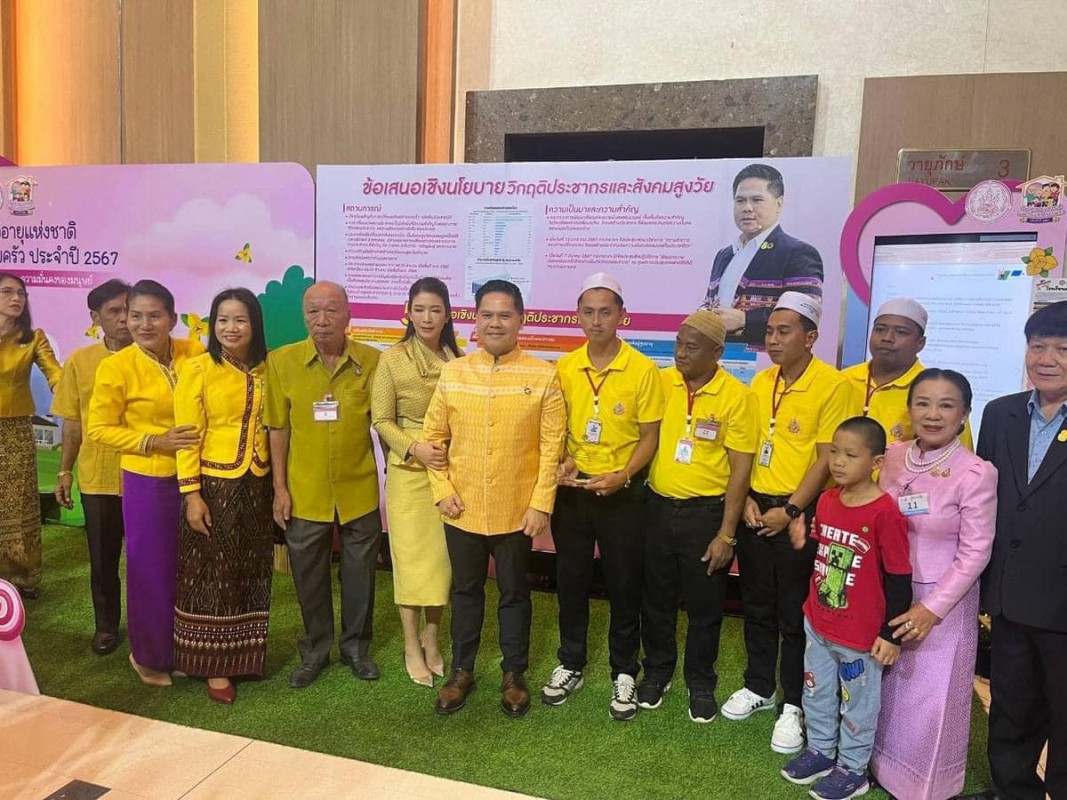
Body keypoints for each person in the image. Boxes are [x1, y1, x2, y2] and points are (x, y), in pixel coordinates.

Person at [424, 279, 565, 718]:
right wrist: (442, 491)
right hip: (460, 507)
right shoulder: (454, 372)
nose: (496, 323)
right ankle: (461, 671)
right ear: (475, 320)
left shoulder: (543, 375)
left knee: (514, 593)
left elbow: (552, 447)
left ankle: (513, 673)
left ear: (521, 320)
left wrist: (540, 504)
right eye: (487, 315)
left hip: (515, 510)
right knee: (465, 591)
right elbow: (432, 438)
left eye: (505, 315)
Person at [721, 291, 852, 754]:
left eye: (784, 331)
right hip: (757, 509)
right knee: (756, 604)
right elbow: (746, 449)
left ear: (811, 337)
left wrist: (792, 510)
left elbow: (826, 458)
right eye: (770, 331)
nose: (773, 340)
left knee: (795, 613)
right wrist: (747, 499)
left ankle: (794, 703)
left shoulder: (833, 386)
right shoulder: (761, 382)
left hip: (800, 514)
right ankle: (759, 685)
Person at [869, 369, 997, 799]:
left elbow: (976, 552)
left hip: (942, 601)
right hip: (890, 590)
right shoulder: (891, 456)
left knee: (931, 699)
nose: (933, 414)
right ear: (909, 409)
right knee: (888, 687)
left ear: (965, 414)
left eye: (946, 405)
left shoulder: (976, 472)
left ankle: (924, 787)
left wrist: (931, 609)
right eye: (923, 403)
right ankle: (877, 765)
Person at [542, 272, 663, 721]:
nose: (596, 321)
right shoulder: (566, 367)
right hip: (575, 492)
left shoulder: (643, 370)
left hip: (622, 492)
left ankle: (625, 670)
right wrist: (565, 461)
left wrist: (624, 475)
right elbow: (559, 429)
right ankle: (570, 662)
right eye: (588, 312)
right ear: (578, 315)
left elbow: (650, 436)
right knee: (571, 580)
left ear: (621, 316)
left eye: (605, 312)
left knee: (624, 584)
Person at [780, 416, 911, 800]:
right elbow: (824, 552)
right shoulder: (827, 500)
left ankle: (853, 770)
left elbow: (899, 577)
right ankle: (821, 751)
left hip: (859, 636)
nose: (837, 461)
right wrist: (803, 542)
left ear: (876, 462)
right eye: (834, 452)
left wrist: (890, 634)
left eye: (850, 455)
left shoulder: (885, 512)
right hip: (819, 623)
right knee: (815, 692)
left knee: (858, 706)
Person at [636, 311, 758, 724]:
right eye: (678, 344)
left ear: (717, 353)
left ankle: (701, 681)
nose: (681, 353)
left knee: (705, 607)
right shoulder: (660, 382)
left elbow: (740, 470)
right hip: (656, 508)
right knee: (656, 600)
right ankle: (657, 672)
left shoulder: (737, 397)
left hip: (706, 515)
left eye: (692, 347)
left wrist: (727, 534)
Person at [266, 281, 382, 689]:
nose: (322, 320)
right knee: (309, 576)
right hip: (304, 490)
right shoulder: (282, 362)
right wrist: (280, 489)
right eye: (313, 312)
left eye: (331, 310)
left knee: (360, 575)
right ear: (304, 317)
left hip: (359, 490)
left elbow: (384, 423)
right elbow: (277, 428)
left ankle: (356, 649)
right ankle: (315, 650)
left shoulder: (373, 361)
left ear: (348, 315)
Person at [87, 279, 204, 687]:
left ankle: (185, 649)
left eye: (154, 316)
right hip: (147, 481)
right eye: (135, 315)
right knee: (150, 569)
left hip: (196, 476)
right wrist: (154, 441)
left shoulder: (194, 352)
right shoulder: (116, 366)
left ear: (173, 318)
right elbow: (99, 428)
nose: (143, 324)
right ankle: (149, 657)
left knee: (190, 568)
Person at [978, 300, 1067, 799]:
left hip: (1063, 598)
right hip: (1009, 593)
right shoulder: (1000, 413)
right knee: (1011, 706)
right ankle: (1013, 791)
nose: (1047, 359)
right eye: (1038, 346)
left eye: (1063, 349)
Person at [173, 288, 273, 705]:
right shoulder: (198, 368)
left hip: (258, 482)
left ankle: (244, 655)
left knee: (251, 568)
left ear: (255, 325)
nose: (231, 328)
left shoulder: (269, 367)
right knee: (211, 573)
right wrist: (191, 494)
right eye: (223, 320)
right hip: (214, 484)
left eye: (240, 320)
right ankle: (211, 665)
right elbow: (187, 435)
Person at [370, 277, 459, 687]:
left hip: (448, 472)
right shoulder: (392, 359)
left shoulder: (458, 360)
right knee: (409, 562)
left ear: (447, 315)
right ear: (408, 312)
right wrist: (415, 448)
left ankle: (432, 638)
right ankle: (410, 644)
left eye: (435, 309)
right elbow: (381, 420)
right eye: (419, 309)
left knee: (441, 563)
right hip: (408, 474)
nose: (427, 317)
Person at [51, 278, 133, 654]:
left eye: (128, 309)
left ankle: (152, 627)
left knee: (151, 560)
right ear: (95, 317)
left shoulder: (157, 357)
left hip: (148, 475)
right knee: (102, 560)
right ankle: (106, 627)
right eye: (114, 311)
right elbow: (73, 422)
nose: (124, 318)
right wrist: (64, 471)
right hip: (98, 477)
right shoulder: (80, 362)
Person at [699, 164, 824, 345]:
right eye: (740, 200)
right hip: (717, 353)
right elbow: (711, 302)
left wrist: (745, 320)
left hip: (768, 356)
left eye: (757, 200)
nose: (747, 208)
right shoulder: (725, 255)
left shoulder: (797, 253)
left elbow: (805, 314)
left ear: (779, 204)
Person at [0, 272, 62, 600]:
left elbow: (55, 373)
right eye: (7, 292)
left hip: (14, 432)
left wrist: (68, 392)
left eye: (21, 293)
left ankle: (21, 577)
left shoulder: (33, 338)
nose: (16, 298)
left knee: (18, 502)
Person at [842, 298, 973, 448]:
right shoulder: (843, 380)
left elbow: (959, 456)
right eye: (880, 329)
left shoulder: (936, 390)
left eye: (901, 332)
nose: (887, 338)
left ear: (920, 343)